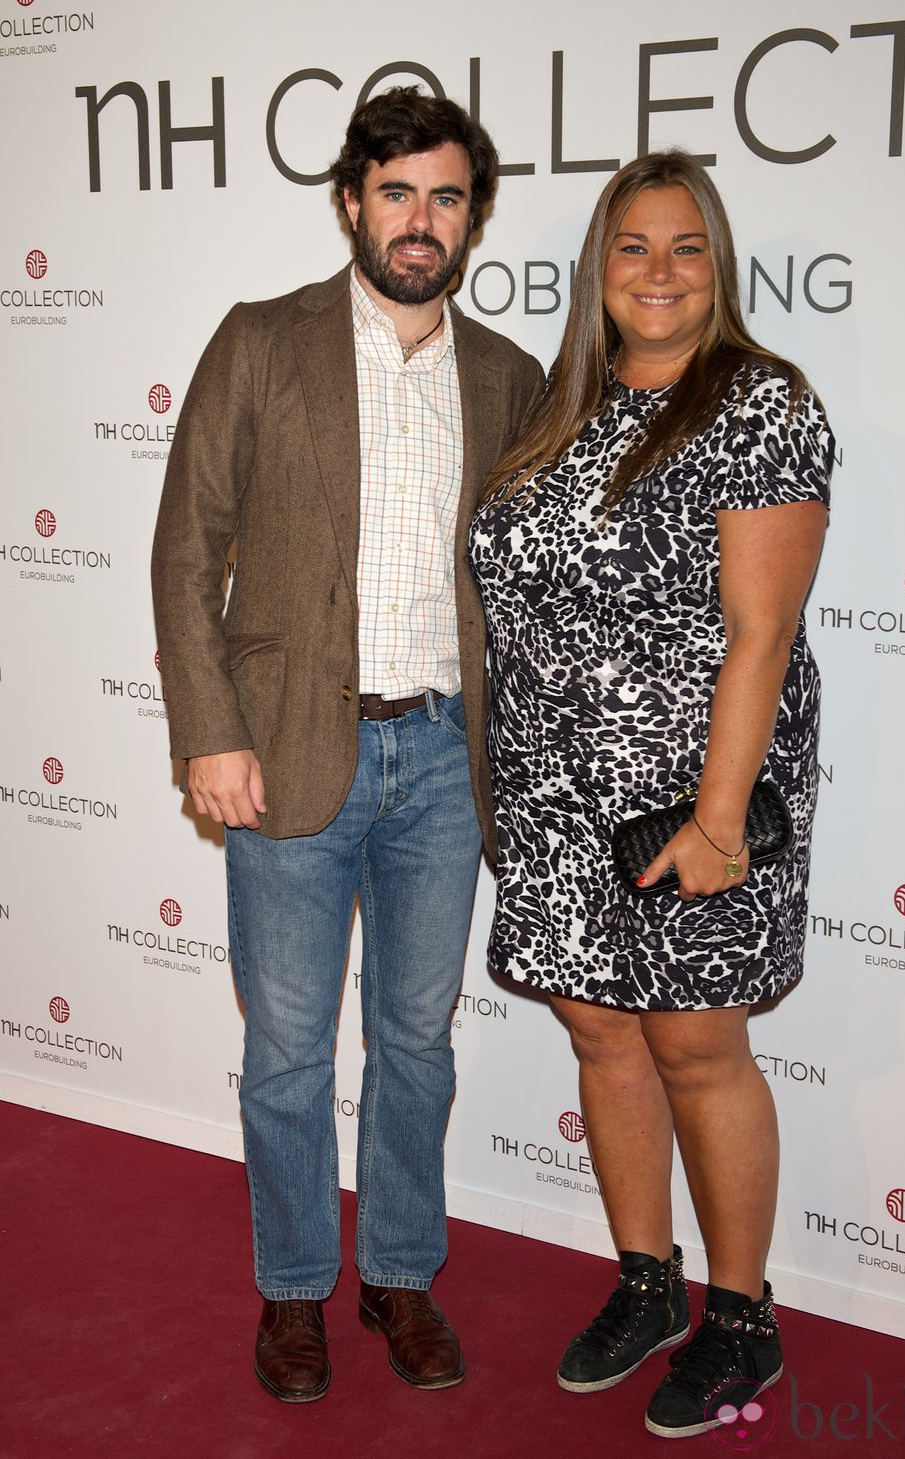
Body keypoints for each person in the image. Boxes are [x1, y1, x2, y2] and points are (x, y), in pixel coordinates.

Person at [151, 86, 543, 1405]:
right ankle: (294, 1290)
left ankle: (402, 1273)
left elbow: (534, 586)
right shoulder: (263, 343)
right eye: (396, 193)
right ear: (351, 203)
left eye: (444, 196)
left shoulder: (508, 376)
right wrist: (210, 730)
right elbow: (186, 547)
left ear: (470, 215)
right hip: (286, 755)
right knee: (288, 1051)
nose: (419, 221)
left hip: (443, 757)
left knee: (419, 1044)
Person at [469, 150, 832, 1438]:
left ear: (718, 265)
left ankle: (742, 1318)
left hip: (693, 802)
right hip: (556, 796)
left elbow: (761, 632)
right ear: (599, 267)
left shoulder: (760, 406)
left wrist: (721, 822)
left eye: (686, 248)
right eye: (633, 246)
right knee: (604, 1040)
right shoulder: (557, 410)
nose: (660, 272)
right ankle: (645, 1281)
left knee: (696, 1046)